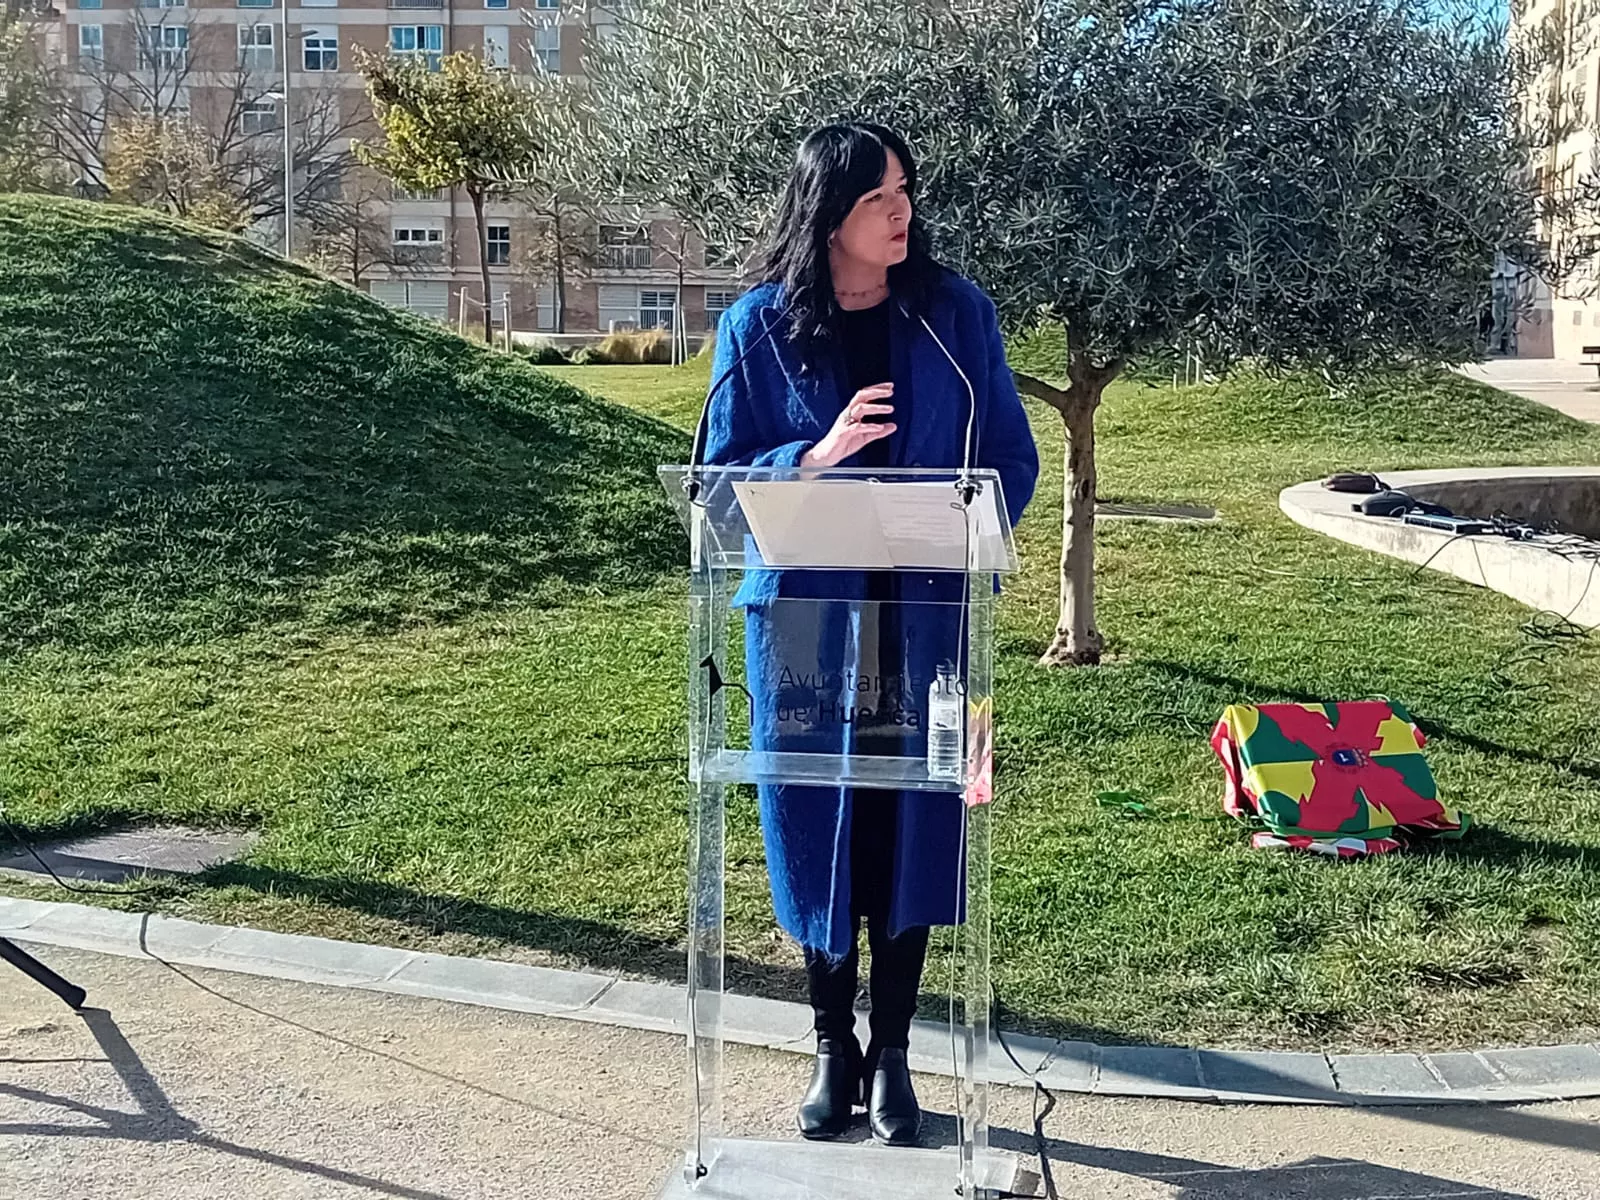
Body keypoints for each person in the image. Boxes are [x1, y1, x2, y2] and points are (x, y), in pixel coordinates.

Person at [703, 123, 1040, 1146]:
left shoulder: (951, 314)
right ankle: (827, 1046)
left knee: (909, 825)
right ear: (827, 216)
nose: (901, 213)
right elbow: (716, 494)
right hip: (801, 619)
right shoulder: (755, 327)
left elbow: (1012, 464)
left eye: (904, 191)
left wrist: (958, 521)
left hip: (925, 613)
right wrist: (815, 455)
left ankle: (892, 1050)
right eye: (876, 200)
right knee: (816, 827)